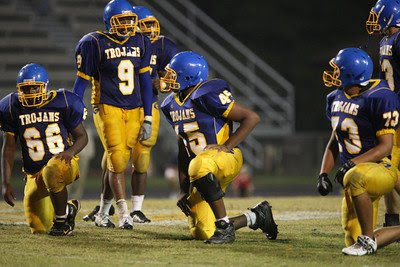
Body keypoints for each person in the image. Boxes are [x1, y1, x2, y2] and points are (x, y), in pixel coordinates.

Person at [160, 51, 278, 244]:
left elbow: (251, 117)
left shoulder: (207, 93)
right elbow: (183, 147)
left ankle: (224, 228)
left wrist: (226, 146)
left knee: (199, 165)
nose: (167, 78)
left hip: (225, 158)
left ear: (188, 76)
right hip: (200, 170)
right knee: (202, 232)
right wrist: (184, 190)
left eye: (173, 74)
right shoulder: (170, 104)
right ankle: (257, 216)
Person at [82, 5, 179, 224]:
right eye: (144, 25)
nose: (150, 29)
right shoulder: (120, 42)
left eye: (152, 24)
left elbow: (174, 76)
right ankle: (105, 208)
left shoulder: (163, 45)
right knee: (114, 158)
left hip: (145, 106)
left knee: (142, 158)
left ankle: (135, 209)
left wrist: (162, 83)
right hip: (116, 106)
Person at [72, 0, 153, 229]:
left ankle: (102, 213)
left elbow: (145, 82)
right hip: (106, 106)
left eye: (130, 19)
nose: (127, 24)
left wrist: (147, 115)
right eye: (122, 20)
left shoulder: (141, 41)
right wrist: (74, 112)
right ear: (109, 22)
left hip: (135, 108)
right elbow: (82, 82)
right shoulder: (94, 42)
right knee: (117, 159)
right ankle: (124, 213)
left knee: (116, 160)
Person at [318, 48, 400, 255]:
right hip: (354, 176)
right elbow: (334, 141)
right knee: (350, 239)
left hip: (379, 168)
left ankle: (366, 240)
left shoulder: (380, 97)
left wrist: (351, 164)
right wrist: (323, 173)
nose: (333, 74)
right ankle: (370, 239)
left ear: (350, 74)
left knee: (356, 176)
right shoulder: (334, 97)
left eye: (337, 70)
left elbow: (385, 147)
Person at [1, 63, 88, 236]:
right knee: (38, 227)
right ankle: (69, 209)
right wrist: (6, 182)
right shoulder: (11, 107)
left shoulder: (63, 101)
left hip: (63, 163)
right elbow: (9, 148)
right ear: (19, 90)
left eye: (35, 88)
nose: (31, 93)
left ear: (45, 87)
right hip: (34, 173)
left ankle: (62, 222)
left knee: (52, 170)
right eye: (26, 89)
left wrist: (70, 153)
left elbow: (82, 137)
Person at [366, 0, 400, 227]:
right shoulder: (385, 39)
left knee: (390, 165)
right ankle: (392, 218)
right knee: (387, 164)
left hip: (397, 109)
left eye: (378, 15)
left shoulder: (396, 39)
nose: (375, 19)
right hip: (391, 108)